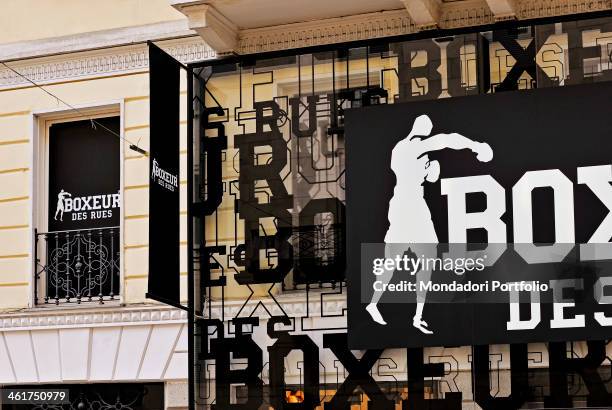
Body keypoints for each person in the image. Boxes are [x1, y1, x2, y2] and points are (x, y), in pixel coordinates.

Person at [365, 114, 493, 334]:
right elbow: (446, 139)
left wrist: (431, 168)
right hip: (408, 206)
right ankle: (378, 304)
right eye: (426, 128)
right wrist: (475, 146)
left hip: (410, 206)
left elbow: (431, 176)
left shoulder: (412, 152)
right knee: (399, 260)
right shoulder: (408, 148)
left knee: (423, 258)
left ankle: (414, 315)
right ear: (419, 129)